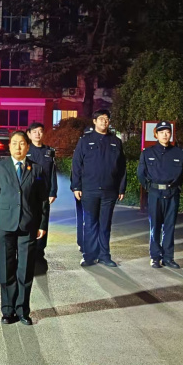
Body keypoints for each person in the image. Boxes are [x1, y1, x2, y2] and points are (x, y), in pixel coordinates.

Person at [0, 131, 47, 326]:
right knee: (6, 268)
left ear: (28, 146)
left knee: (25, 269)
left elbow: (42, 200)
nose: (18, 147)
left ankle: (22, 310)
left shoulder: (36, 169)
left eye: (22, 143)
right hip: (4, 224)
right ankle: (7, 310)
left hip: (28, 224)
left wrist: (42, 224)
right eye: (14, 143)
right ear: (9, 146)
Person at [71, 109, 126, 267]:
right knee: (90, 223)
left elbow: (122, 167)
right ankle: (89, 255)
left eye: (107, 119)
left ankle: (104, 255)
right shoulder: (85, 141)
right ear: (95, 121)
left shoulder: (116, 142)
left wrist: (121, 188)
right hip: (89, 189)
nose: (104, 121)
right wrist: (76, 186)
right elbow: (76, 164)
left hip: (109, 190)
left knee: (105, 224)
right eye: (101, 118)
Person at [137, 121, 183, 269]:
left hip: (172, 193)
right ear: (156, 134)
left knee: (170, 226)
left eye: (167, 132)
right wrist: (150, 188)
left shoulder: (179, 153)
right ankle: (155, 257)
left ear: (171, 134)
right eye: (161, 132)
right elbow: (141, 173)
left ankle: (168, 258)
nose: (165, 135)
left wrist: (176, 186)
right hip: (155, 193)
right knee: (155, 226)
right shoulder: (148, 153)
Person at [26, 122, 57, 260]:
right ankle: (28, 248)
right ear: (29, 134)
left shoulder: (49, 151)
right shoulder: (26, 150)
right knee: (29, 219)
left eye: (40, 131)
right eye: (34, 131)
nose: (37, 134)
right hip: (29, 192)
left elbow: (53, 172)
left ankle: (40, 251)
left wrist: (53, 191)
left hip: (44, 192)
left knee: (43, 221)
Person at [72, 126, 94, 252]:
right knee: (82, 218)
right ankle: (82, 242)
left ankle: (91, 244)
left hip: (93, 188)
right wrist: (76, 187)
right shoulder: (81, 147)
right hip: (82, 189)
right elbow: (75, 168)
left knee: (92, 219)